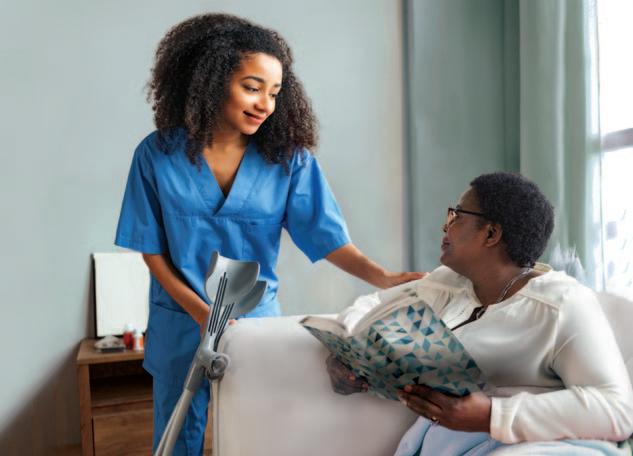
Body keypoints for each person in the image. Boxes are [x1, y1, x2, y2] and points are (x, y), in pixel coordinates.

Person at [115, 13, 422, 455]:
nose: (265, 104)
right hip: (180, 319)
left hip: (252, 324)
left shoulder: (288, 161)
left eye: (275, 93)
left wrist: (385, 278)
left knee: (254, 437)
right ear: (212, 82)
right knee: (177, 436)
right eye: (252, 87)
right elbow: (152, 251)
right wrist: (201, 313)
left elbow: (328, 238)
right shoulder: (157, 154)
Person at [327, 172, 633, 455]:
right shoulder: (447, 283)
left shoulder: (562, 304)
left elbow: (617, 408)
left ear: (491, 234)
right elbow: (371, 306)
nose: (446, 226)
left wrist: (492, 416)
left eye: (457, 215)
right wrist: (349, 356)